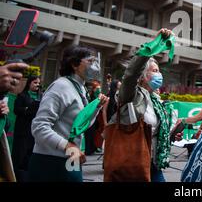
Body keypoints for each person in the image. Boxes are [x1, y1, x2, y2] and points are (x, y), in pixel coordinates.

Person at [108, 28, 181, 182]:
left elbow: (153, 131)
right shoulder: (131, 95)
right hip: (133, 164)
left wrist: (170, 135)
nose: (159, 75)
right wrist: (154, 45)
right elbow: (131, 74)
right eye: (155, 71)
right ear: (143, 76)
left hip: (154, 165)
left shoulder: (156, 100)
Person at [28, 46, 108, 182]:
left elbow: (80, 126)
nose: (95, 66)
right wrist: (67, 146)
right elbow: (39, 127)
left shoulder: (80, 88)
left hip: (71, 157)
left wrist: (97, 108)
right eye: (91, 61)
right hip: (51, 160)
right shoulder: (61, 86)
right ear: (74, 64)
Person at [11, 75, 41, 182]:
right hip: (23, 130)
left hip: (33, 130)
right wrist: (27, 109)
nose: (37, 85)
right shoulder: (22, 95)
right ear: (29, 83)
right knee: (20, 153)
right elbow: (16, 110)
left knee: (29, 154)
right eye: (35, 82)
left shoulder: (40, 97)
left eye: (38, 83)